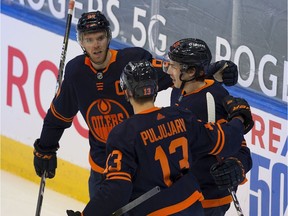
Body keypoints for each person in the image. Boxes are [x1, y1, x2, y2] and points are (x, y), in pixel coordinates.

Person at [32, 11, 239, 200]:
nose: (96, 45)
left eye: (100, 38)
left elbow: (175, 73)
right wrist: (45, 148)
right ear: (82, 43)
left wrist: (212, 70)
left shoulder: (133, 64)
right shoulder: (76, 72)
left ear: (108, 37)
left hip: (141, 166)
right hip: (103, 167)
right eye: (89, 40)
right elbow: (59, 115)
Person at [66, 60, 253, 216]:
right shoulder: (180, 116)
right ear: (155, 89)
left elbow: (117, 189)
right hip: (191, 207)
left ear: (126, 92)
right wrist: (239, 117)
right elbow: (225, 139)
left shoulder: (123, 134)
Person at [164, 38, 253, 215]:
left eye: (174, 66)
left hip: (209, 200)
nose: (168, 71)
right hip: (185, 194)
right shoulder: (178, 90)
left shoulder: (213, 99)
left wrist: (238, 165)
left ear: (190, 72)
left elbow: (238, 145)